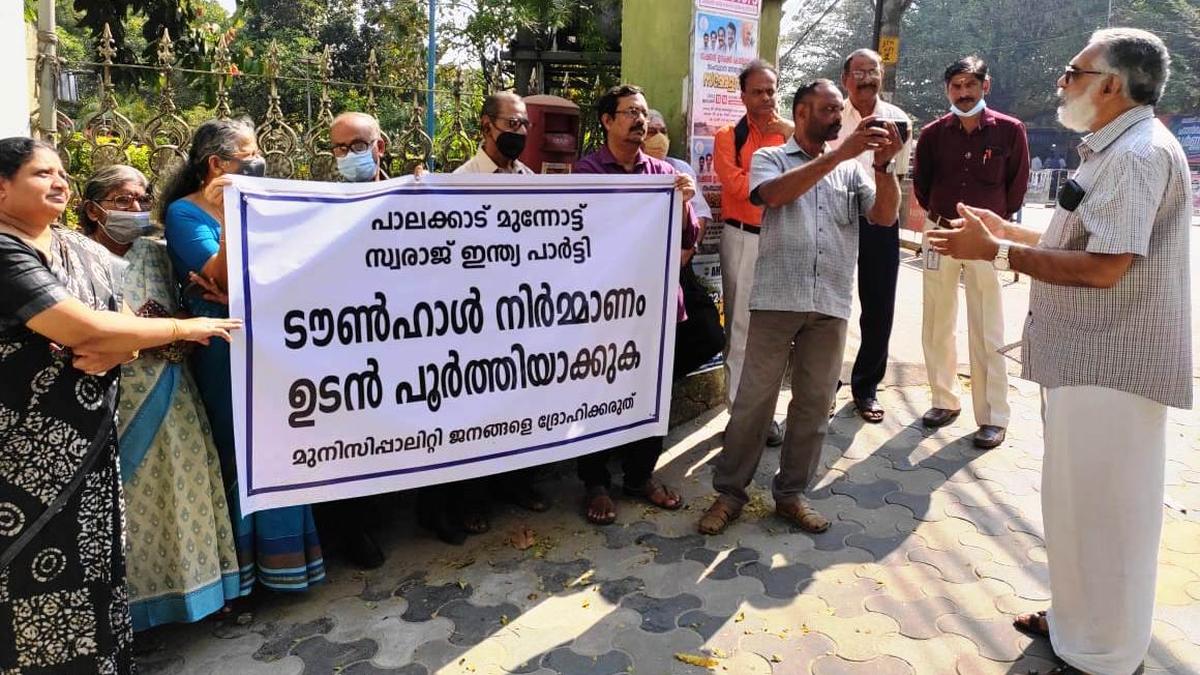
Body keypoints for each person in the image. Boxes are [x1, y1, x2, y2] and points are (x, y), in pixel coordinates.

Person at [929, 29, 1191, 675]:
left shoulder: (1136, 154)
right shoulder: (1115, 148)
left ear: (1110, 84)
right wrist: (1001, 229)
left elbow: (1104, 267)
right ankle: (1078, 620)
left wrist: (994, 251)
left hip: (1113, 367)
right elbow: (1075, 234)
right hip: (1086, 363)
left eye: (1073, 71)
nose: (1062, 82)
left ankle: (1103, 652)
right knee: (1075, 506)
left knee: (1107, 513)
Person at [0, 137, 239, 673]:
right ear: (1, 186)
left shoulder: (75, 250)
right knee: (27, 580)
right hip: (21, 451)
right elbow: (82, 325)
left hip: (87, 435)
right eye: (44, 174)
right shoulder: (6, 253)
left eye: (63, 172)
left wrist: (126, 341)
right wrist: (177, 327)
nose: (59, 182)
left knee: (91, 562)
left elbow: (123, 327)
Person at [697, 80, 902, 537]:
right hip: (776, 300)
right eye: (830, 109)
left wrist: (885, 168)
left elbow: (885, 217)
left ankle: (791, 494)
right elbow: (770, 196)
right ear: (803, 112)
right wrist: (840, 154)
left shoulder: (854, 172)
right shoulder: (772, 157)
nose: (838, 117)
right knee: (753, 403)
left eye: (838, 110)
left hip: (829, 302)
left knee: (812, 405)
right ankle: (729, 493)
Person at [162, 118, 327, 595]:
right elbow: (229, 282)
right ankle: (241, 577)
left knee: (282, 447)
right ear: (217, 164)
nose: (259, 162)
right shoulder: (184, 214)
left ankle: (288, 565)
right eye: (249, 154)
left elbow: (287, 263)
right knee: (242, 452)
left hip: (275, 342)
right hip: (224, 351)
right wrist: (234, 220)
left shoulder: (265, 201)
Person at [79, 165, 240, 630]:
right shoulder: (78, 256)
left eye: (141, 199)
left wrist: (178, 320)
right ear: (93, 209)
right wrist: (154, 327)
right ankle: (131, 611)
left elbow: (188, 302)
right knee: (129, 502)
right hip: (118, 395)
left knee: (184, 487)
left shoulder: (156, 252)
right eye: (121, 200)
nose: (135, 209)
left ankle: (199, 595)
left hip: (174, 387)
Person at [573, 84, 698, 525]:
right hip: (603, 310)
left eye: (643, 113)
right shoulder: (585, 174)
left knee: (652, 391)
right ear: (607, 120)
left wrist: (682, 205)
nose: (640, 120)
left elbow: (687, 241)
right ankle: (595, 482)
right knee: (596, 387)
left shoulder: (664, 175)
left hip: (656, 309)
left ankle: (640, 475)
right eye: (629, 112)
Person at [439, 92, 549, 545]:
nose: (519, 133)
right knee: (474, 411)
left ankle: (516, 485)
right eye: (511, 124)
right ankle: (470, 500)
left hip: (520, 316)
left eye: (525, 126)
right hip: (475, 319)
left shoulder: (530, 179)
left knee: (518, 405)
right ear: (486, 126)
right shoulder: (459, 182)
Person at [912, 55, 1029, 449]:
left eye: (970, 85)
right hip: (940, 232)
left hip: (985, 239)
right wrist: (942, 219)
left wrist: (994, 227)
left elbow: (1016, 188)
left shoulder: (1010, 132)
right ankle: (944, 399)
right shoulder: (932, 134)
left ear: (985, 86)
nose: (963, 93)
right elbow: (923, 187)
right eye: (956, 86)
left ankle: (994, 416)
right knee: (936, 320)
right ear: (947, 90)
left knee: (987, 324)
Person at [829, 48, 913, 424]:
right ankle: (825, 385)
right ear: (845, 78)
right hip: (835, 217)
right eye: (859, 71)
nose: (866, 78)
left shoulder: (898, 121)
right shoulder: (831, 116)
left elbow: (900, 177)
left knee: (878, 305)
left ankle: (866, 387)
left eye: (873, 71)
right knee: (830, 304)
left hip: (881, 218)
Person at [712, 59, 792, 445]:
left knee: (775, 332)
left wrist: (790, 134)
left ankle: (768, 417)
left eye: (771, 90)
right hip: (741, 238)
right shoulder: (728, 135)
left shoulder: (790, 135)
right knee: (740, 330)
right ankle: (739, 416)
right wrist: (778, 184)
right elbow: (735, 184)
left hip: (781, 238)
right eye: (757, 91)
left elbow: (812, 171)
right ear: (742, 95)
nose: (765, 98)